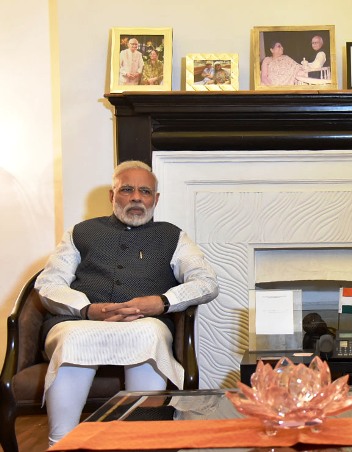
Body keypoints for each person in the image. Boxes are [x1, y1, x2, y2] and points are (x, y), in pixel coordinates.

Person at [35, 160, 219, 445]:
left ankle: (140, 441)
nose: (136, 197)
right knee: (73, 337)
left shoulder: (173, 236)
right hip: (79, 322)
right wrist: (86, 309)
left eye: (145, 191)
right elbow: (49, 283)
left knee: (148, 334)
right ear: (112, 195)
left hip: (143, 322)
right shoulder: (79, 233)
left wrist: (161, 302)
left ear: (155, 199)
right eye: (127, 190)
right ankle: (60, 443)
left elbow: (206, 282)